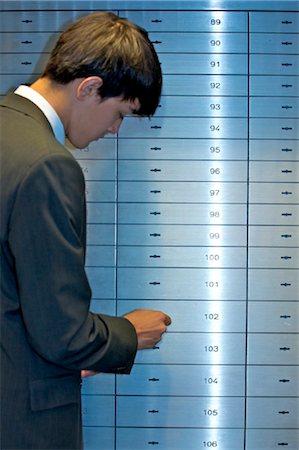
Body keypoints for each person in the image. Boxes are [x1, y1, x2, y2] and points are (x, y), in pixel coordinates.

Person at [0, 11, 171, 450]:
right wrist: (130, 333)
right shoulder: (47, 165)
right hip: (21, 419)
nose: (114, 130)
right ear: (89, 87)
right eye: (120, 113)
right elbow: (64, 335)